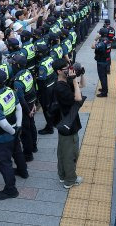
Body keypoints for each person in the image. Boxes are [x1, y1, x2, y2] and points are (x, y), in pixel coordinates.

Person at [0, 69, 28, 200]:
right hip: (15, 129)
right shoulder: (10, 91)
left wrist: (13, 132)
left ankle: (11, 190)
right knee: (17, 152)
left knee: (4, 163)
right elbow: (19, 108)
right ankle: (23, 172)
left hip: (3, 137)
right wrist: (18, 127)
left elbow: (3, 124)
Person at [52, 58, 84, 189]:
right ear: (59, 71)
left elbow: (82, 86)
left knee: (62, 151)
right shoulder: (60, 87)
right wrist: (75, 81)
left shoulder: (65, 81)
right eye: (66, 68)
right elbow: (78, 97)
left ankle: (62, 175)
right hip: (68, 125)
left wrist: (80, 75)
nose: (69, 70)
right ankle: (70, 180)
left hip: (65, 123)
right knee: (70, 154)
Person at [10, 54, 38, 161]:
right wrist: (34, 104)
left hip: (25, 108)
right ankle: (34, 146)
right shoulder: (28, 72)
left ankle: (28, 154)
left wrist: (28, 111)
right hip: (31, 104)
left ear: (17, 65)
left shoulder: (17, 81)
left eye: (12, 63)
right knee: (32, 126)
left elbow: (21, 99)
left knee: (25, 132)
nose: (11, 65)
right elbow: (32, 88)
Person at [36, 44, 57, 135]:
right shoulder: (50, 59)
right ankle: (54, 121)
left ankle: (49, 127)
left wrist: (39, 94)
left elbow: (41, 81)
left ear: (40, 54)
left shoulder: (42, 66)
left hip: (46, 90)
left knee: (46, 108)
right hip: (53, 85)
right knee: (52, 105)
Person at [92, 27, 109, 98]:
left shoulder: (102, 43)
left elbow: (92, 46)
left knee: (102, 77)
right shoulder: (107, 40)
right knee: (104, 76)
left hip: (101, 62)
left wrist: (95, 39)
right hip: (105, 60)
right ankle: (104, 89)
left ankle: (104, 93)